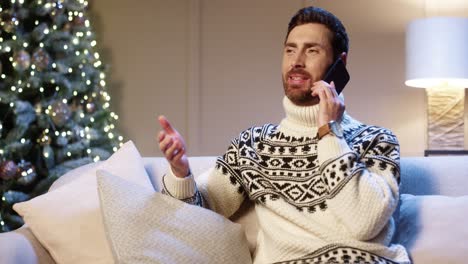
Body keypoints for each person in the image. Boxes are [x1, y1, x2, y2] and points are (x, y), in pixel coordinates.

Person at [157, 6, 410, 264]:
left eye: (312, 50)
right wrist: (180, 172)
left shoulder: (377, 140)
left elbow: (363, 222)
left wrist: (329, 132)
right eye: (290, 50)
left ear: (339, 63)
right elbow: (192, 218)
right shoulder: (255, 145)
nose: (296, 61)